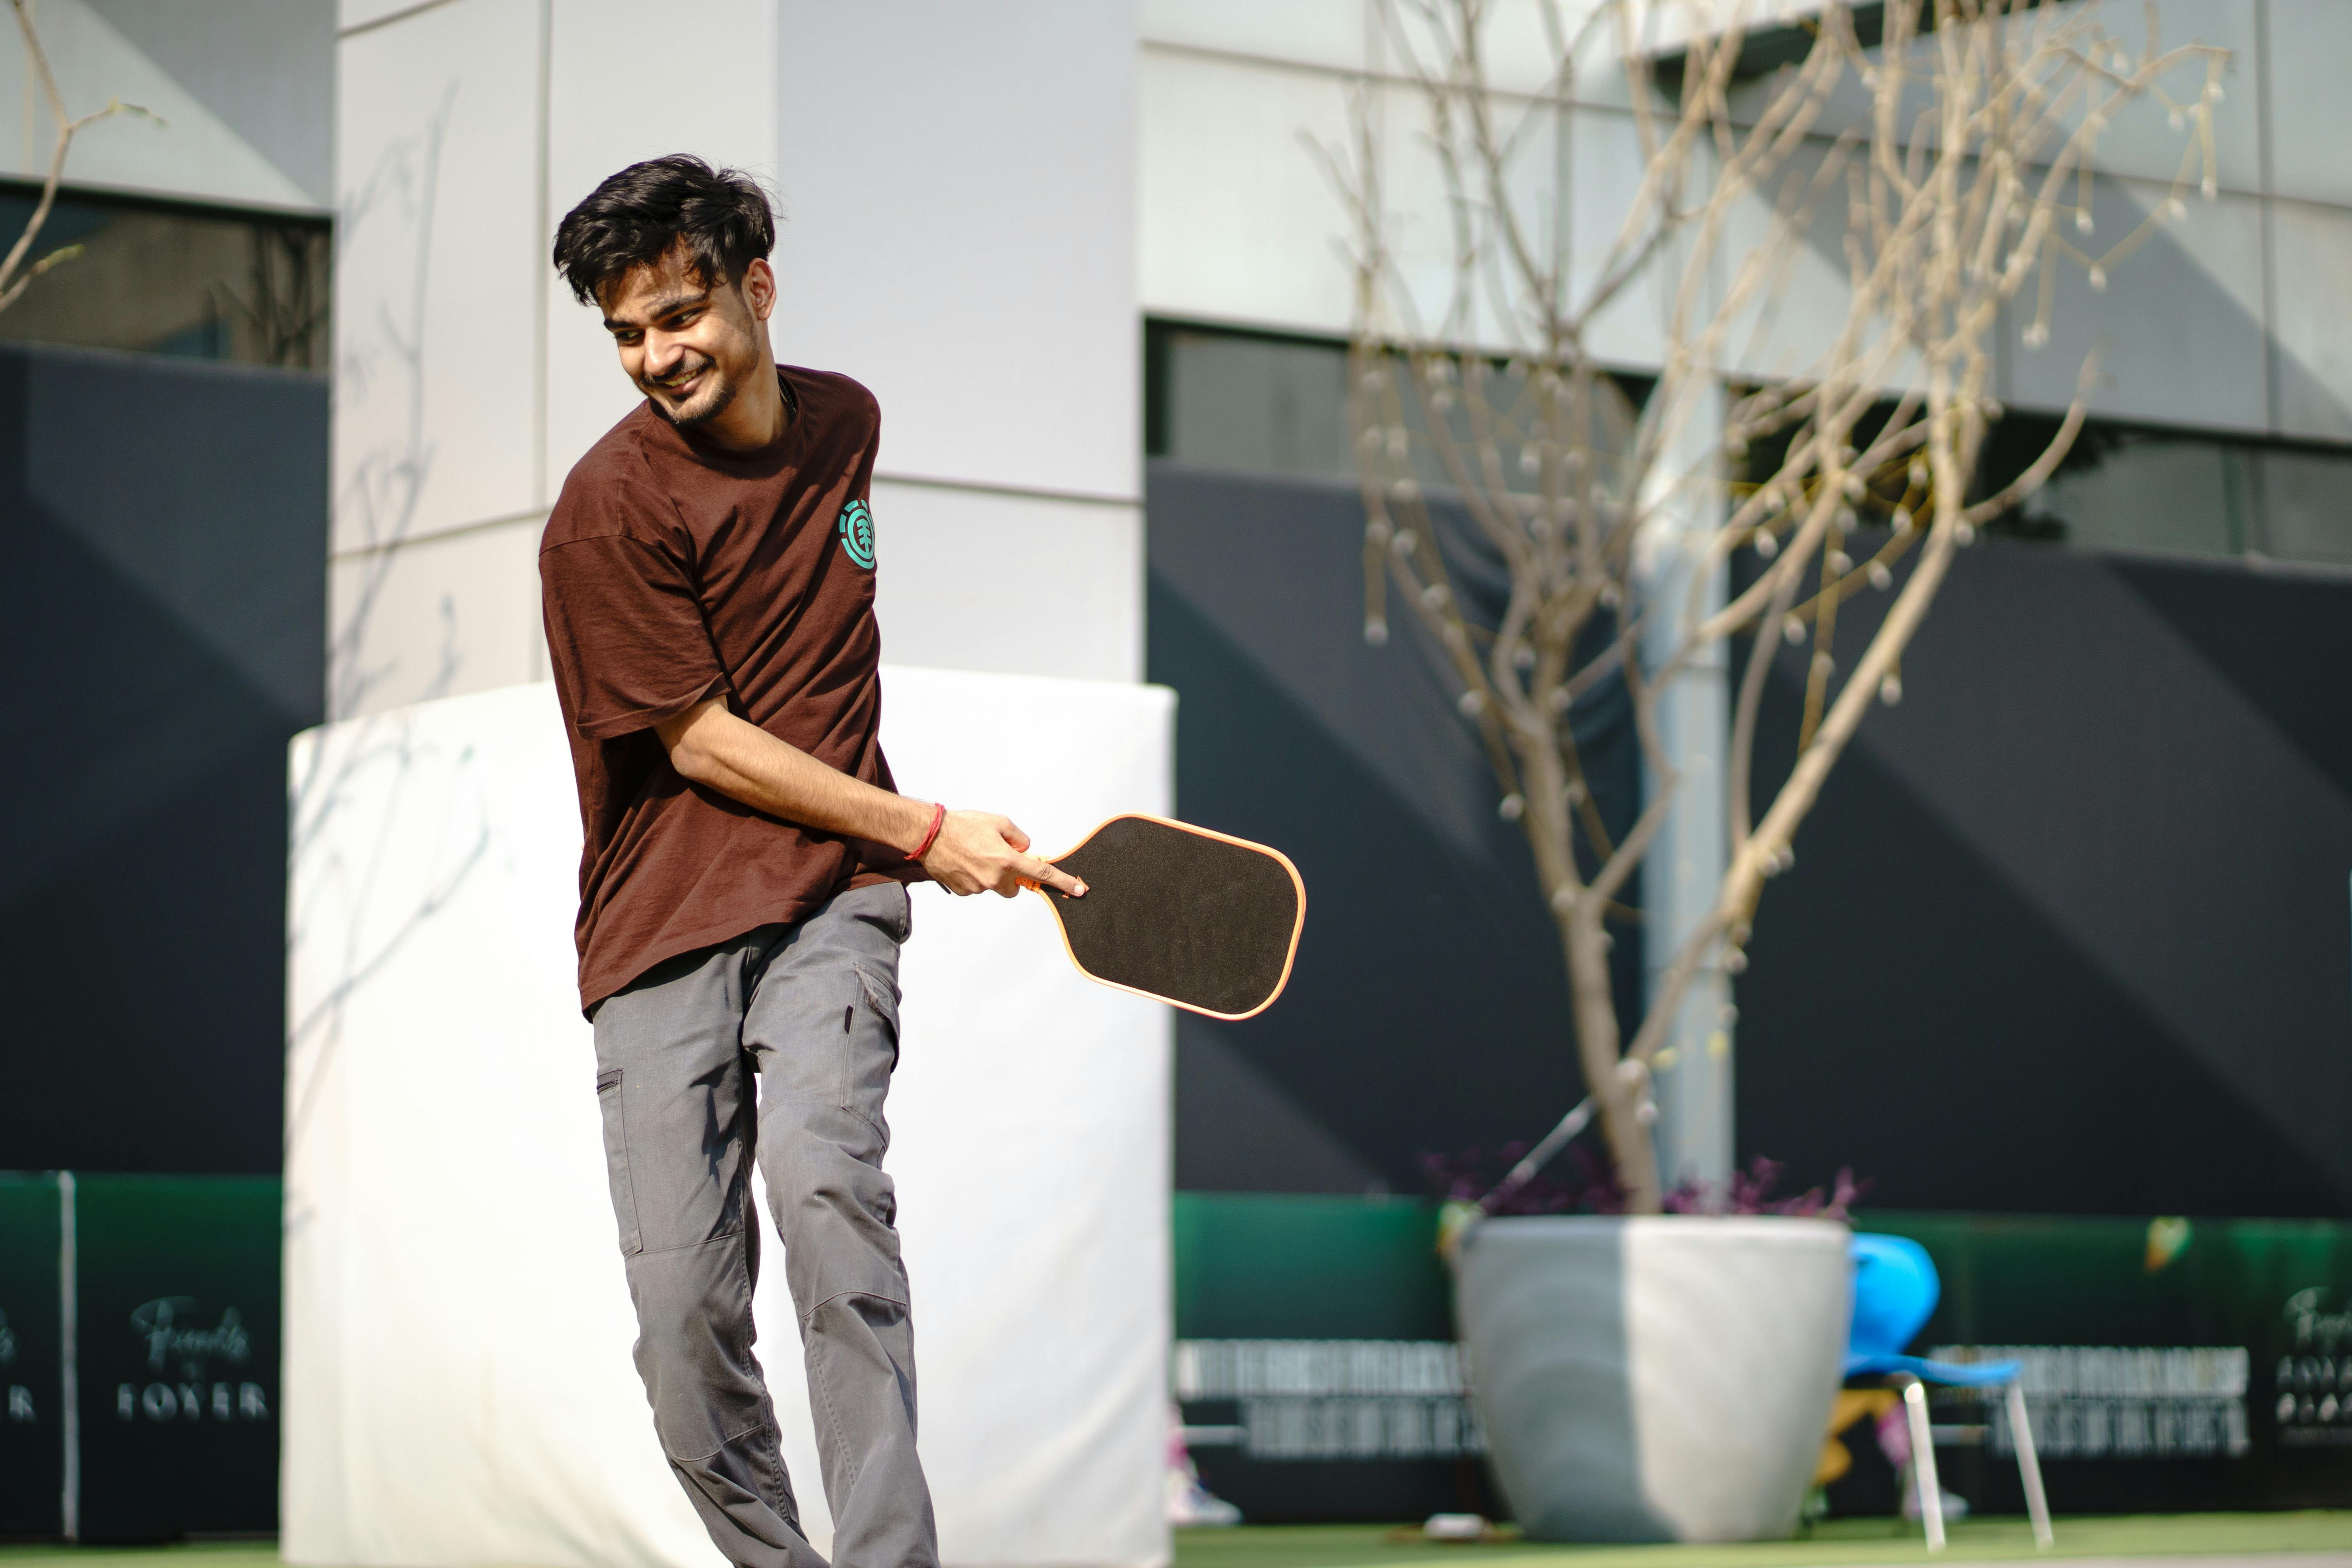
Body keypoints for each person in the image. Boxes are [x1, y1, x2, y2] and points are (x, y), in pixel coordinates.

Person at [540, 154, 1086, 1568]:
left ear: (756, 287)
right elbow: (705, 743)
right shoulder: (605, 511)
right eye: (628, 333)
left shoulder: (846, 426)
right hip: (658, 933)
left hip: (832, 905)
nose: (657, 355)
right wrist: (924, 827)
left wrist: (890, 850)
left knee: (828, 1191)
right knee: (682, 1326)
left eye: (679, 313)